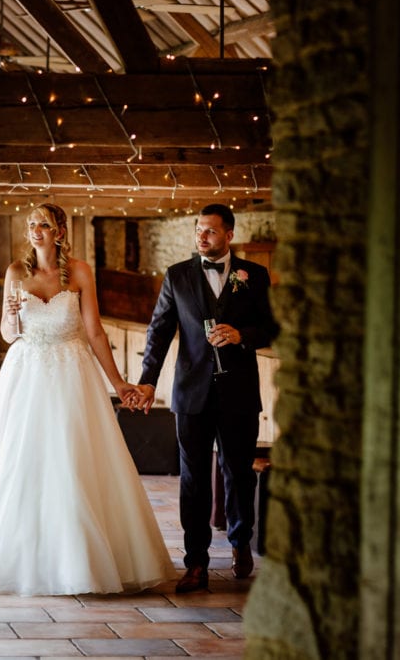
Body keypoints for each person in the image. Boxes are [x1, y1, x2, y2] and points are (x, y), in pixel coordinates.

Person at [0, 203, 175, 596]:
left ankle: (81, 562)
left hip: (72, 376)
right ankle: (22, 558)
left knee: (73, 462)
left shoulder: (79, 272)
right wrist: (10, 314)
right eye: (31, 224)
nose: (35, 230)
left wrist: (118, 382)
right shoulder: (15, 273)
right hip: (26, 377)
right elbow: (11, 335)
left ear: (59, 231)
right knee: (21, 462)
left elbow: (93, 331)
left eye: (43, 224)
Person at [129, 203, 279, 592]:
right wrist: (147, 380)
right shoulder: (177, 275)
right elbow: (158, 332)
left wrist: (242, 335)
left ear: (229, 234)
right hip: (191, 393)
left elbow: (271, 327)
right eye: (198, 230)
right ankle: (195, 562)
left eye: (210, 231)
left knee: (239, 474)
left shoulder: (255, 275)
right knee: (193, 480)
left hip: (240, 393)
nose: (202, 237)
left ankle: (240, 542)